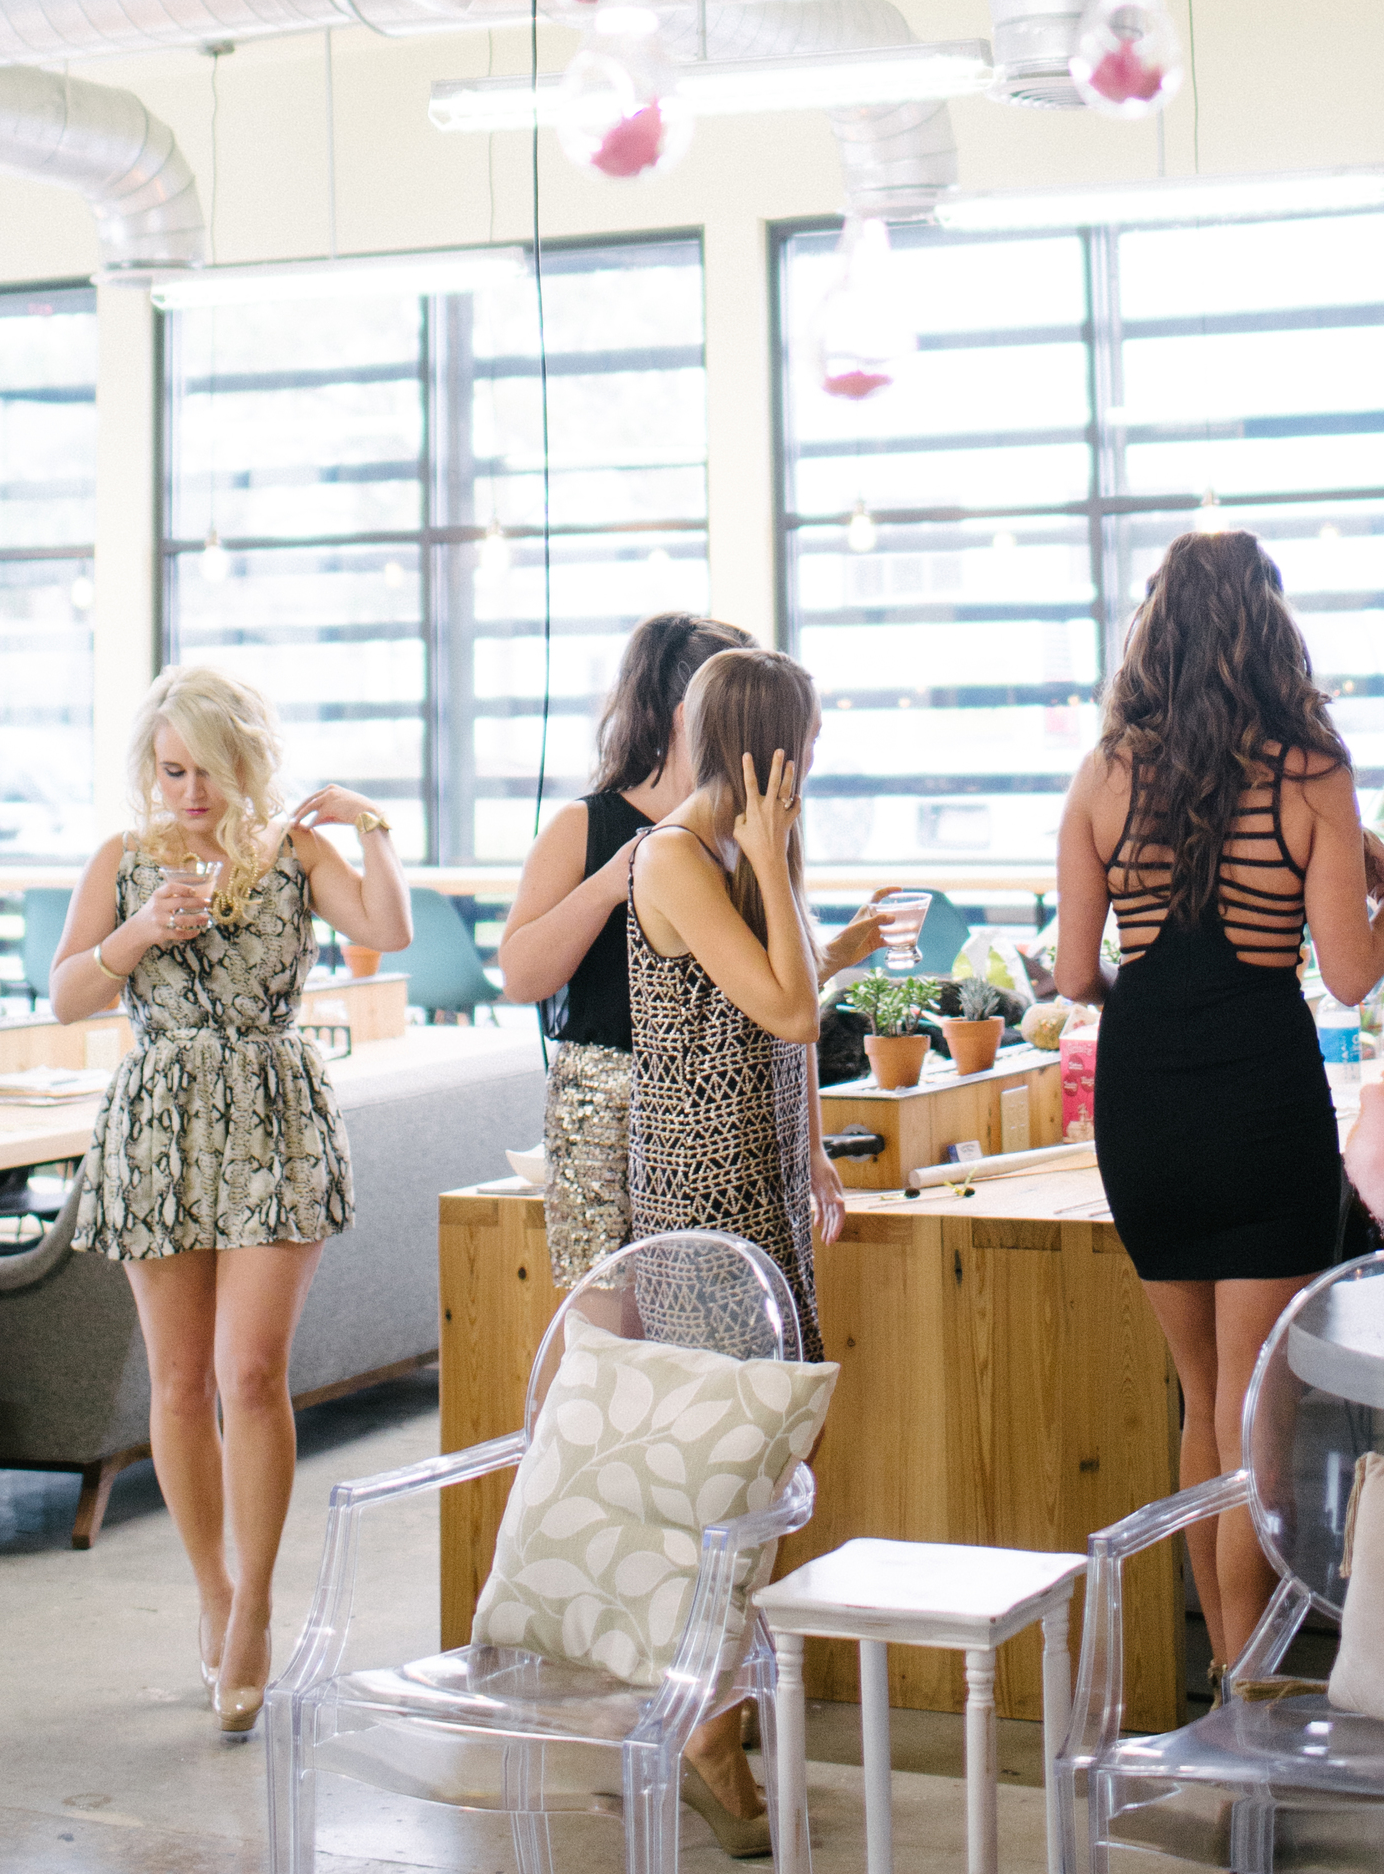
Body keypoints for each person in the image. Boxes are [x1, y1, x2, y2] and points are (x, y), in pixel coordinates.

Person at [1054, 528, 1384, 1679]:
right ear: (1268, 624)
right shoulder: (1309, 764)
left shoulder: (1105, 770)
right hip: (1263, 1093)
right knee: (1260, 1406)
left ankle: (1231, 1673)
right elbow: (1351, 975)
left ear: (1155, 626)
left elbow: (1070, 978)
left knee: (1202, 1397)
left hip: (1146, 1091)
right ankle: (1246, 1679)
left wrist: (1149, 988)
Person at [51, 664, 410, 1737]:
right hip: (161, 1116)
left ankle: (255, 1607)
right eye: (171, 769)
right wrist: (138, 935)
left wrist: (373, 826)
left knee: (249, 1373)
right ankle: (209, 1584)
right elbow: (67, 990)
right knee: (175, 1381)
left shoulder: (292, 851)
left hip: (270, 1111)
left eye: (208, 768)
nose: (190, 790)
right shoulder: (123, 862)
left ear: (245, 761)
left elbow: (387, 929)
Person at [628, 644, 837, 1857]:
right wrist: (771, 861)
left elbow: (789, 1014)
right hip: (701, 1203)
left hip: (758, 1180)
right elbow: (789, 1007)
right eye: (806, 742)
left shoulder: (736, 856)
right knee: (731, 1472)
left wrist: (812, 1155)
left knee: (772, 1459)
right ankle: (703, 1716)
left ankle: (718, 1696)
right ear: (774, 747)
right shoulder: (674, 854)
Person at [499, 612, 751, 1288]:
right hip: (607, 1107)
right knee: (610, 1333)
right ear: (683, 714)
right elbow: (521, 973)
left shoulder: (738, 831)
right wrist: (609, 884)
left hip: (714, 1103)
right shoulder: (585, 823)